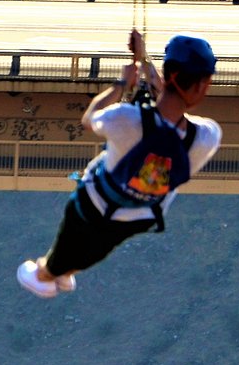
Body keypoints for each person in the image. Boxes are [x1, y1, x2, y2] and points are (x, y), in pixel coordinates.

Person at [17, 29, 222, 298]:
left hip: (93, 203)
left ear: (170, 74)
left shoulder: (125, 118)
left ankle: (46, 276)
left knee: (57, 259)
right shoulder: (207, 136)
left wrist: (122, 83)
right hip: (141, 216)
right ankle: (67, 272)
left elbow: (89, 119)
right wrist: (146, 66)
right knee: (100, 247)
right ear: (202, 85)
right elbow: (171, 107)